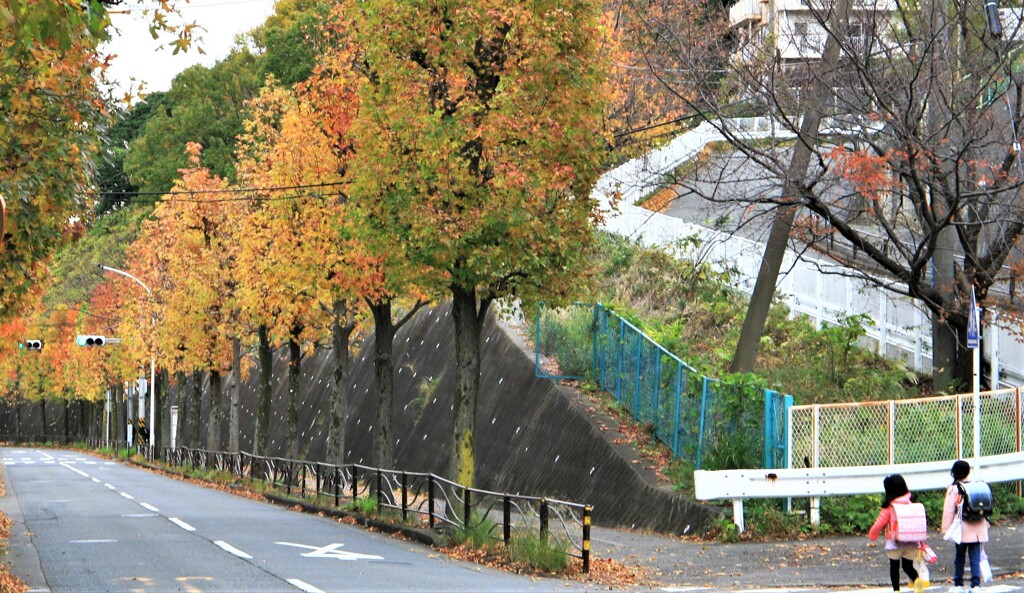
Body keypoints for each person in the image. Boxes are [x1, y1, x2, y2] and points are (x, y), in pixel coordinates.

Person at [868, 474, 924, 593]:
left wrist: (873, 535)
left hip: (895, 542)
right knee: (907, 566)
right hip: (912, 541)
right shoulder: (911, 503)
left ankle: (896, 590)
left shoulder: (890, 507)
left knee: (894, 567)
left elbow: (879, 523)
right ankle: (917, 581)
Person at [942, 460, 989, 593]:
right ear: (968, 472)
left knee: (960, 557)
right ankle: (976, 585)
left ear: (953, 473)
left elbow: (949, 511)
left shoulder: (954, 489)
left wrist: (946, 529)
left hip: (962, 529)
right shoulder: (977, 486)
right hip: (979, 528)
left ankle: (958, 585)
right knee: (975, 557)